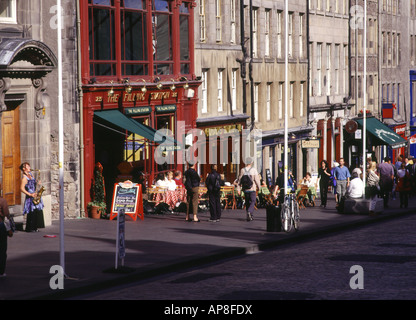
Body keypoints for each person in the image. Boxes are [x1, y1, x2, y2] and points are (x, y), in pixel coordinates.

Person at [20, 162, 44, 232]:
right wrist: (29, 194)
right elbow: (21, 188)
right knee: (31, 212)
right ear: (24, 169)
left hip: (35, 194)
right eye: (28, 166)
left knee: (36, 211)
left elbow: (33, 183)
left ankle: (35, 227)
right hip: (30, 196)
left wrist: (37, 182)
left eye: (29, 166)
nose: (29, 167)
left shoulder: (31, 174)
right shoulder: (24, 178)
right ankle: (30, 228)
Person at [0, 191, 13, 277]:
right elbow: (6, 215)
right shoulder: (2, 201)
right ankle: (1, 271)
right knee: (2, 249)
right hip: (0, 225)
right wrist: (9, 229)